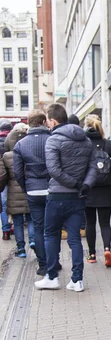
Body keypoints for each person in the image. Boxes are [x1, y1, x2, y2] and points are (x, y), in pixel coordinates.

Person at [34, 103, 97, 292]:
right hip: (78, 197)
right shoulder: (85, 140)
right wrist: (85, 185)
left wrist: (76, 184)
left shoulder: (53, 140)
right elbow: (94, 166)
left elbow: (53, 170)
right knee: (75, 238)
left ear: (53, 121)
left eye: (48, 121)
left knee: (51, 235)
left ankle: (52, 277)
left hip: (57, 195)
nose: (48, 125)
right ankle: (77, 280)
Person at [13, 109, 52, 275]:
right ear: (44, 122)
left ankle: (43, 265)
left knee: (38, 227)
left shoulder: (20, 144)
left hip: (33, 190)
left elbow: (17, 171)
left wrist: (25, 186)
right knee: (52, 228)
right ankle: (53, 262)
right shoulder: (52, 139)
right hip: (52, 189)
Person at [83, 115, 111, 266]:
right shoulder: (110, 145)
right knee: (105, 223)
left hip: (89, 188)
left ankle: (92, 254)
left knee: (90, 223)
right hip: (106, 189)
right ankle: (107, 249)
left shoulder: (83, 145)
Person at [0, 124, 34, 259]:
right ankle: (33, 240)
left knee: (18, 222)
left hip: (13, 195)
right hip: (29, 191)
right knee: (31, 219)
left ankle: (21, 249)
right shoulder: (30, 153)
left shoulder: (7, 156)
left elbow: (2, 176)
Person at [0, 121, 12, 240]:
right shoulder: (12, 140)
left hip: (1, 176)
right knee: (12, 201)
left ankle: (6, 231)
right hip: (12, 176)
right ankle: (13, 225)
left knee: (3, 204)